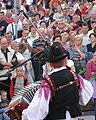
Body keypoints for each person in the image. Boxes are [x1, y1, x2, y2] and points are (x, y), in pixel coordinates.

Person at [22, 43, 82, 120]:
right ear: (65, 62)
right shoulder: (75, 76)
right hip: (74, 117)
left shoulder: (48, 82)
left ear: (50, 65)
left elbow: (40, 109)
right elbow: (84, 97)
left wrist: (26, 115)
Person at [86, 51, 96, 120]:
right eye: (95, 56)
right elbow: (89, 75)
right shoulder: (89, 63)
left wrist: (94, 72)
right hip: (92, 81)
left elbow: (93, 73)